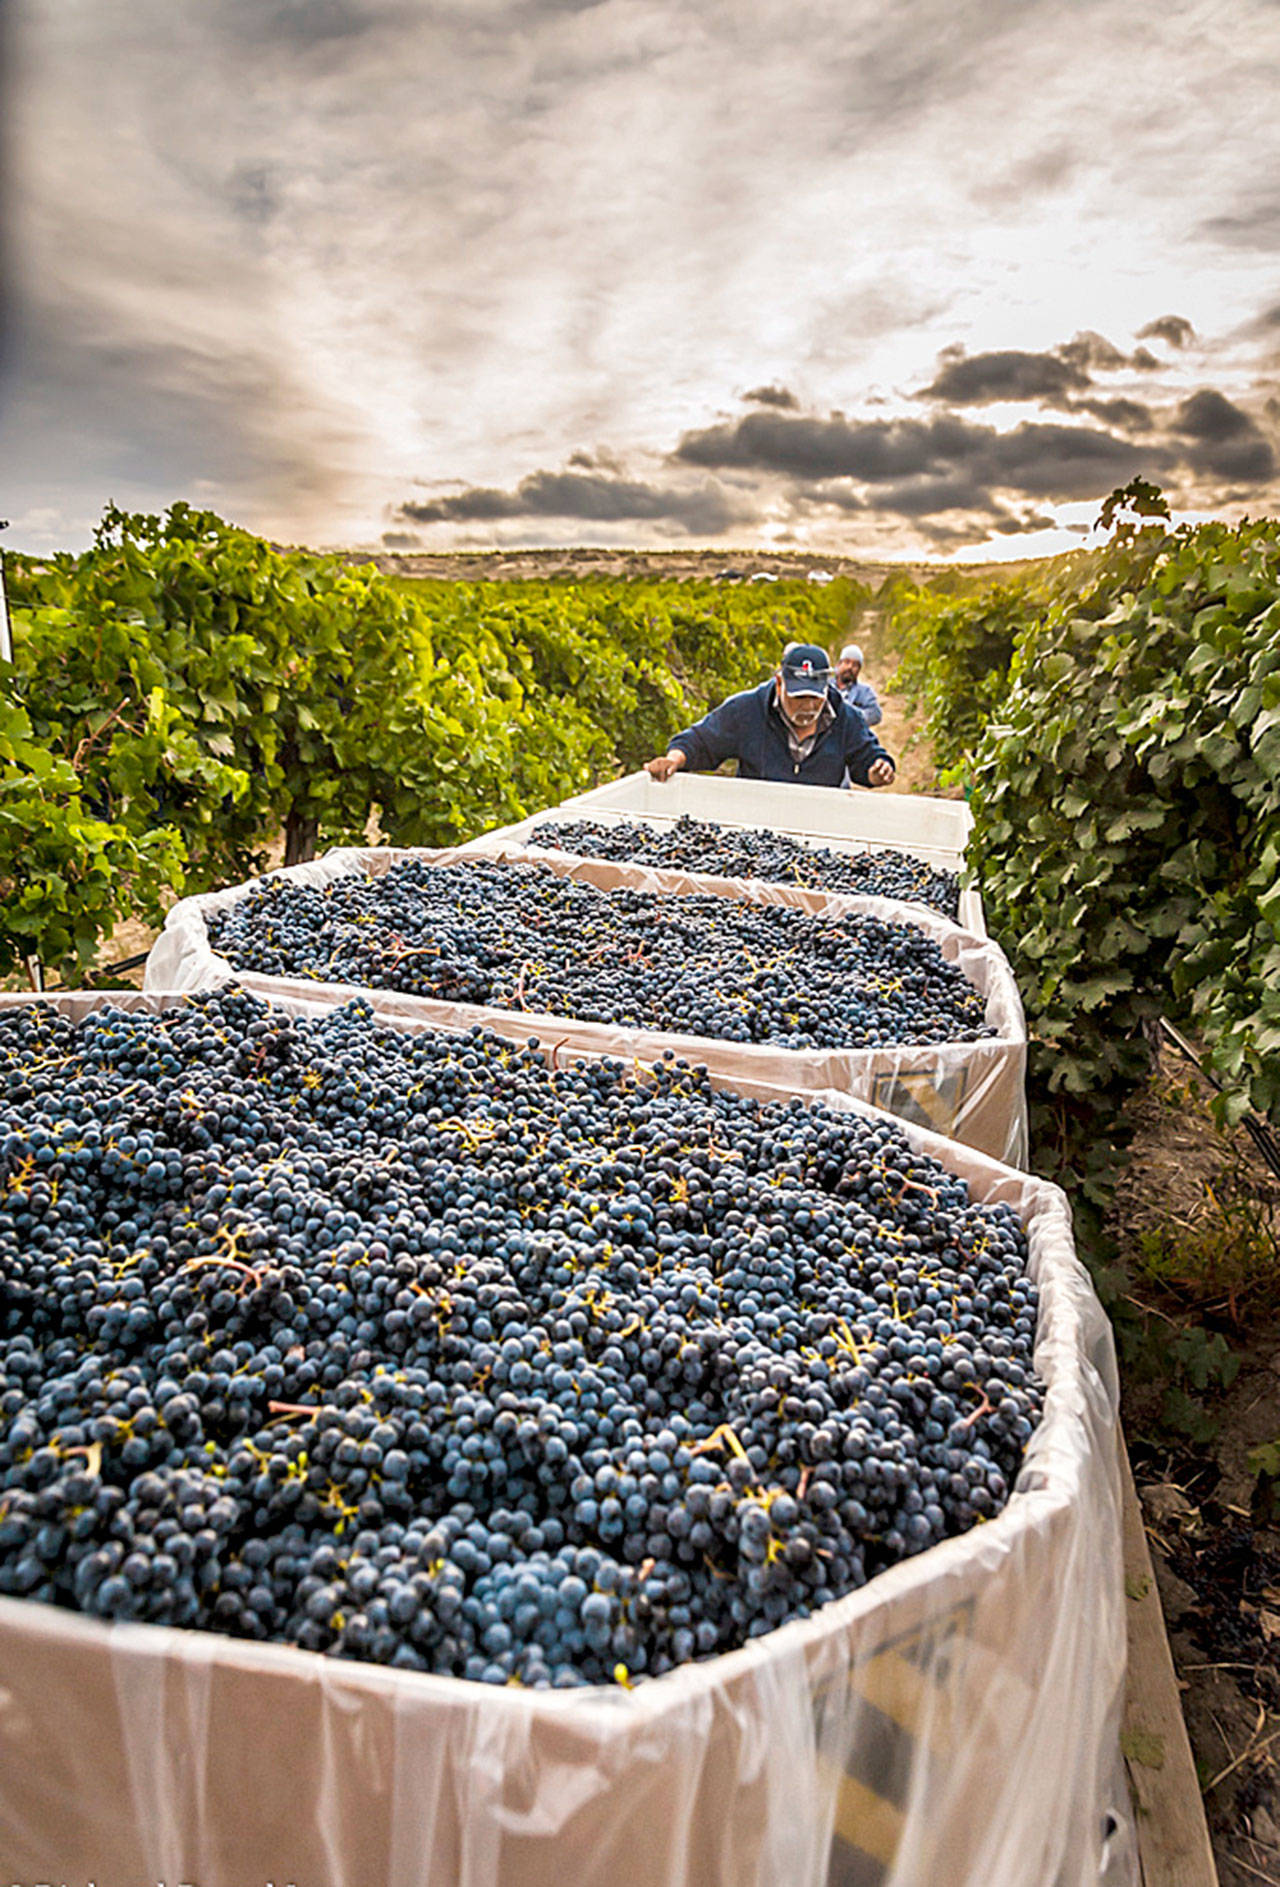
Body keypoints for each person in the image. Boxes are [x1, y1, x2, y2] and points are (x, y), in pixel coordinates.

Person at [644, 643, 895, 788]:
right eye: (798, 698)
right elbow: (702, 740)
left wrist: (877, 771)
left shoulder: (846, 717)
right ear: (778, 684)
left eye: (814, 698)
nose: (807, 707)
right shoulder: (748, 710)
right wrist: (674, 759)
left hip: (821, 823)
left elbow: (867, 757)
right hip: (756, 823)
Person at [834, 643, 882, 726]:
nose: (850, 667)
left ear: (859, 670)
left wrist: (850, 716)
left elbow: (875, 714)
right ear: (839, 664)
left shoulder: (865, 692)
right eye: (847, 662)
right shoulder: (825, 686)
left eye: (855, 665)